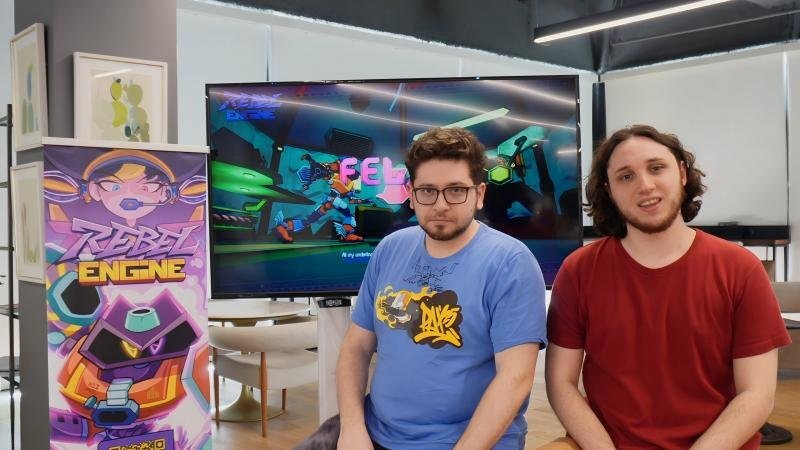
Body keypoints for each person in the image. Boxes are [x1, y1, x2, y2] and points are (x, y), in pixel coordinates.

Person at [544, 125, 791, 449]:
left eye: (656, 168)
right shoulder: (578, 270)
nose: (645, 185)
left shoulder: (740, 269)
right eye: (626, 176)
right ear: (609, 190)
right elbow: (560, 383)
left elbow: (756, 394)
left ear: (682, 174)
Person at [333, 127, 548, 450]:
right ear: (411, 193)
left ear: (479, 194)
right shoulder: (389, 249)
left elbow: (514, 379)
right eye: (428, 191)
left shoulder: (511, 262)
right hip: (376, 431)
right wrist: (352, 428)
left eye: (456, 190)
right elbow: (356, 348)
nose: (441, 205)